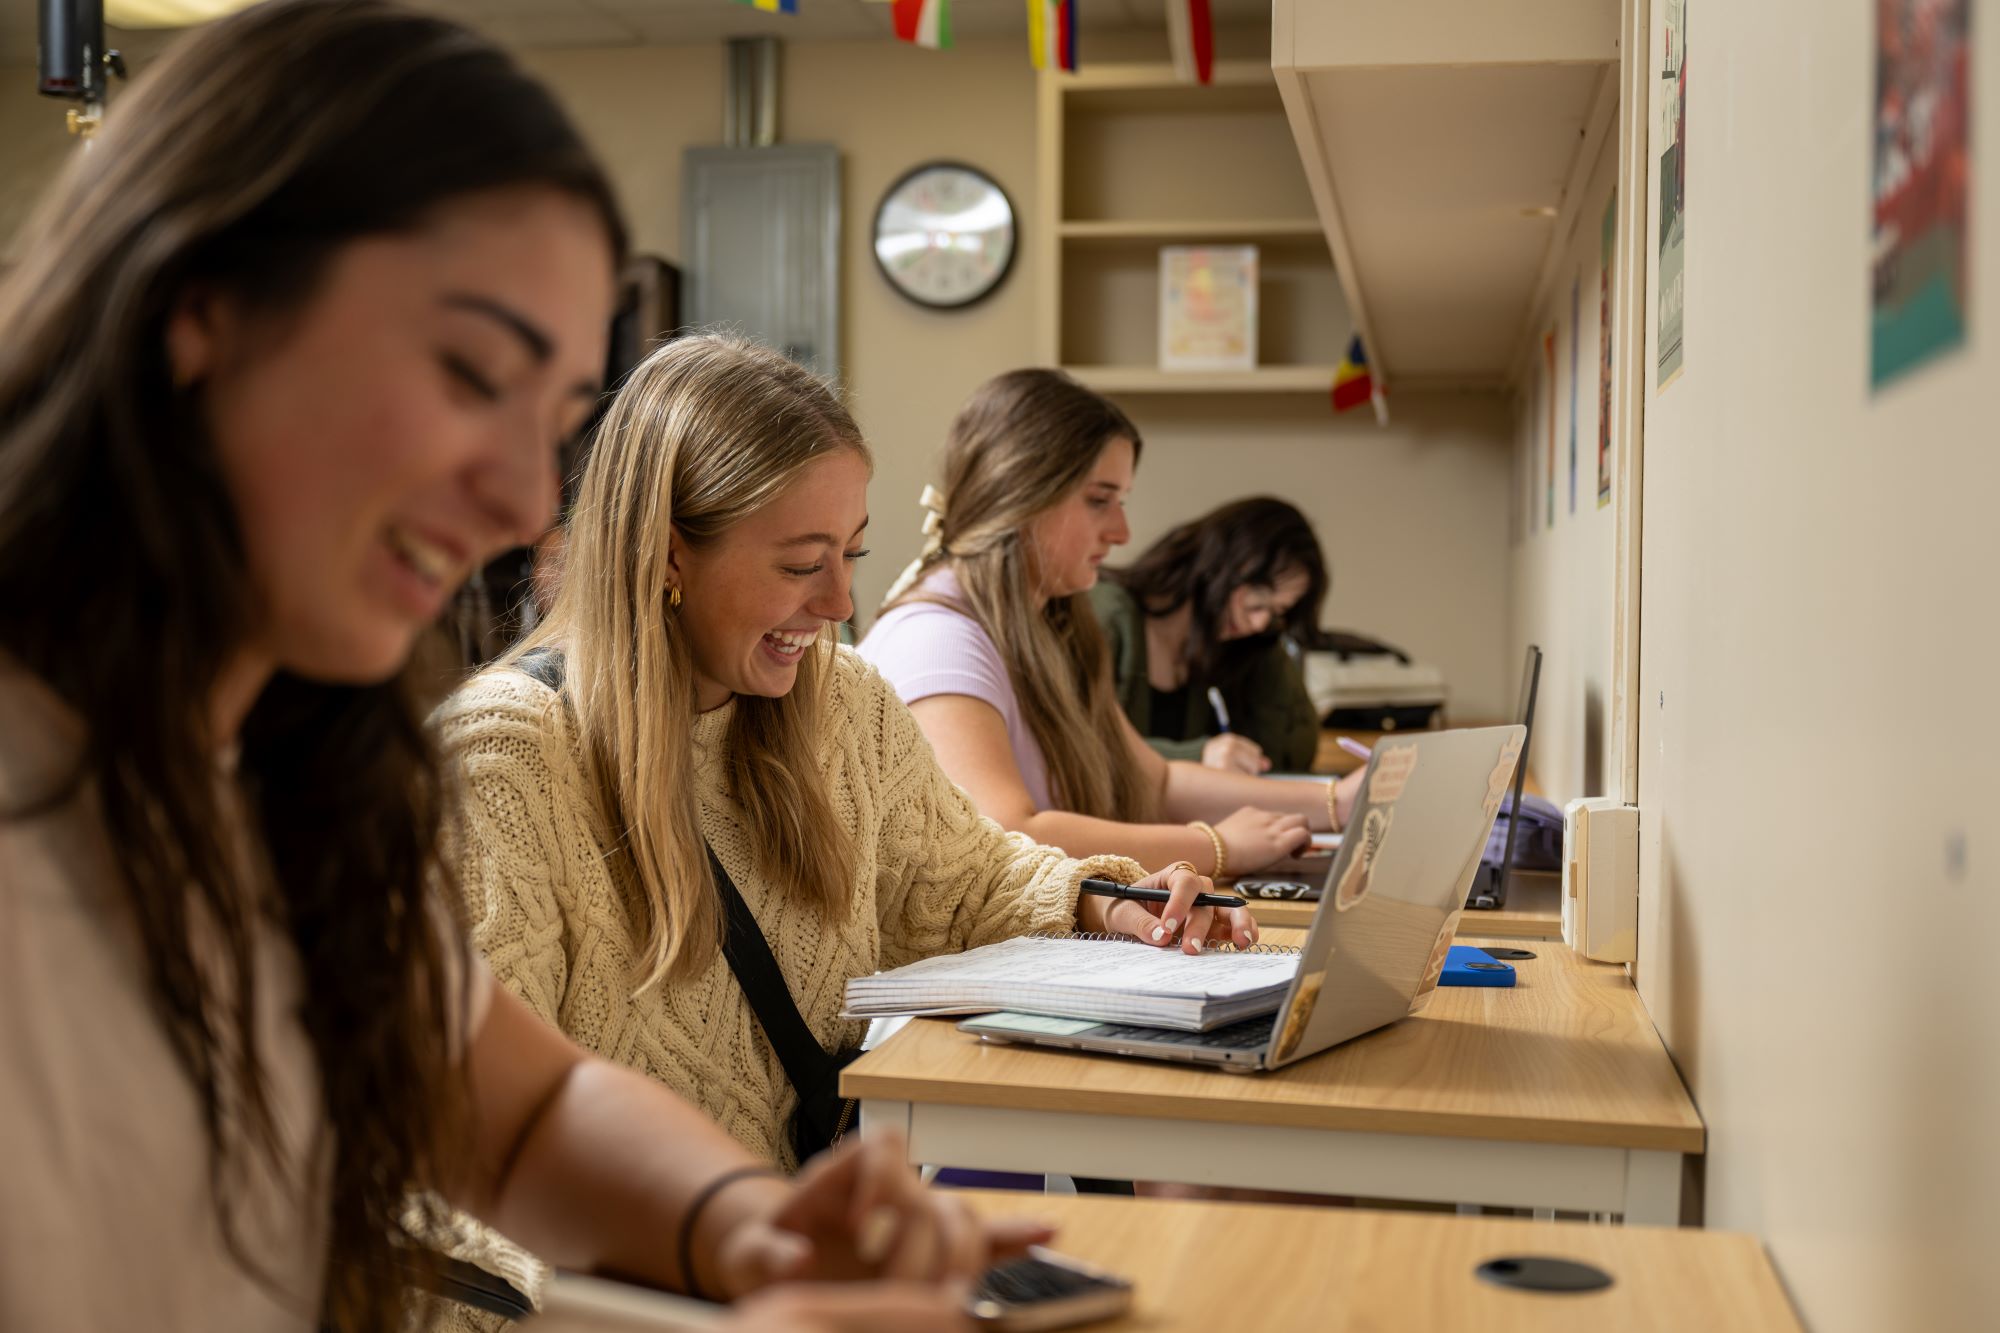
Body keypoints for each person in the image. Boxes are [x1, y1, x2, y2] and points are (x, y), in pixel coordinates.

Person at [0, 5, 1028, 1331]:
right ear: (203, 313)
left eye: (549, 420)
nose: (508, 503)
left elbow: (521, 1105)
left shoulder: (284, 775)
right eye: (467, 370)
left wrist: (739, 1226)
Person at [436, 334, 1246, 1285]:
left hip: (795, 1264)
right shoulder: (504, 759)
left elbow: (969, 878)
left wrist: (1112, 904)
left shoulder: (842, 702)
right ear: (666, 558)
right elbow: (469, 1161)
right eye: (800, 565)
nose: (841, 600)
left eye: (853, 554)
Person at [859, 370, 1363, 879]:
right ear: (1019, 492)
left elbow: (1157, 782)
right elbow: (1006, 835)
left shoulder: (1057, 627)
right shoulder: (937, 639)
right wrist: (1215, 846)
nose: (1122, 531)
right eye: (1100, 500)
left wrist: (1337, 801)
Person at [1091, 497, 1327, 775]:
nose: (1259, 622)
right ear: (1223, 563)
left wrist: (1268, 643)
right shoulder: (1107, 615)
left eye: (1276, 611)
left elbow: (1292, 752)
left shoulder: (1223, 646)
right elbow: (1080, 750)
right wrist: (1196, 757)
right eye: (1257, 602)